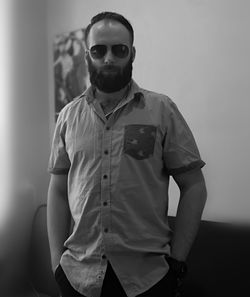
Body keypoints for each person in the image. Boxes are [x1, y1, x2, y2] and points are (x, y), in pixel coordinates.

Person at [47, 11, 207, 297]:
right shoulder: (68, 117)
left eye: (119, 49)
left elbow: (194, 186)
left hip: (149, 279)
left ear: (131, 54)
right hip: (77, 277)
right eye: (99, 50)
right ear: (87, 56)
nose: (108, 58)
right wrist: (55, 262)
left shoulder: (162, 110)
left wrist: (178, 264)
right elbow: (58, 191)